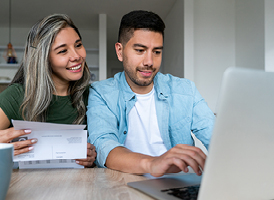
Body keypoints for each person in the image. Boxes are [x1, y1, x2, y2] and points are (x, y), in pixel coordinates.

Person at [87, 10, 215, 176]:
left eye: (157, 52)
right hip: (124, 185)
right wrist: (153, 163)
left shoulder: (185, 90)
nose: (149, 62)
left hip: (179, 184)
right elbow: (104, 145)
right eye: (140, 50)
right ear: (120, 51)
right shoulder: (101, 93)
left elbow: (217, 138)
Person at [0, 14, 96, 167]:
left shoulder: (93, 95)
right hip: (27, 188)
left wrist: (93, 157)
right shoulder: (16, 95)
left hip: (80, 186)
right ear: (43, 59)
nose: (77, 56)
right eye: (63, 51)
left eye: (78, 45)